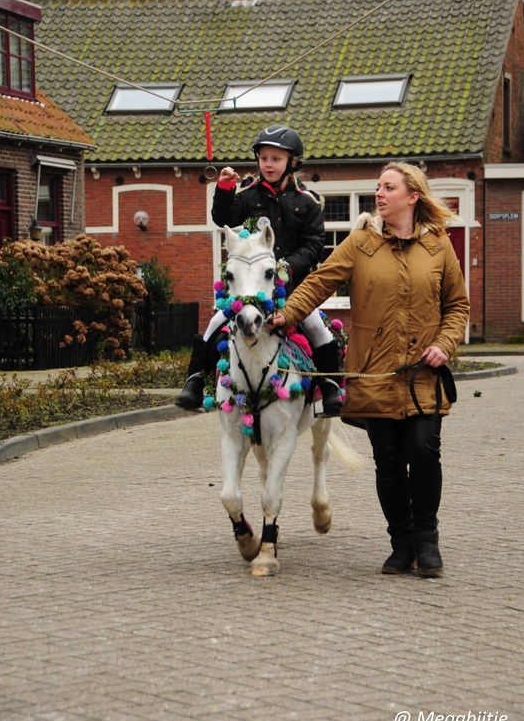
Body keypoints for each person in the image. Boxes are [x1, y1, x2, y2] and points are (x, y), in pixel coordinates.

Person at [269, 161, 470, 578]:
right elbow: (320, 281)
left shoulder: (438, 245)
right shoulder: (360, 242)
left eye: (388, 187)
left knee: (423, 451)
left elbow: (457, 306)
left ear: (412, 196)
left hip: (422, 376)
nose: (379, 194)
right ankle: (401, 544)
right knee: (390, 462)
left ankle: (426, 542)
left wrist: (444, 345)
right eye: (378, 187)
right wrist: (286, 314)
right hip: (374, 375)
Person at [176, 125, 343, 416]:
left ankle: (330, 388)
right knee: (216, 322)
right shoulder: (248, 196)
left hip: (293, 289)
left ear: (292, 162)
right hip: (253, 287)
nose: (268, 164)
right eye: (264, 158)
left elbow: (315, 245)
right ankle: (194, 381)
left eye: (276, 159)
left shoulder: (309, 201)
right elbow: (223, 217)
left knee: (317, 328)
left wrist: (288, 266)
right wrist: (226, 188)